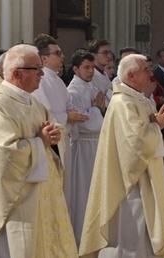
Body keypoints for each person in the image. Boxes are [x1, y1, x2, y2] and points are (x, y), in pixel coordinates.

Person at [0, 44, 78, 257]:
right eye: (36, 69)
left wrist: (55, 137)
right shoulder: (0, 105)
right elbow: (4, 154)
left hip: (40, 193)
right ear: (17, 73)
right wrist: (40, 143)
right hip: (16, 200)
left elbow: (51, 132)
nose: (41, 74)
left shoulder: (32, 102)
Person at [79, 53, 164, 258]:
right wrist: (157, 125)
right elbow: (134, 145)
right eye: (146, 70)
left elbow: (149, 134)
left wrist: (159, 125)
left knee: (144, 232)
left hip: (145, 175)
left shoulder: (139, 100)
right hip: (131, 182)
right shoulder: (123, 103)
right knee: (133, 233)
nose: (151, 74)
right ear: (131, 75)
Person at [32, 33, 89, 195]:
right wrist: (67, 117)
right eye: (57, 53)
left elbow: (68, 105)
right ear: (44, 58)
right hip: (51, 143)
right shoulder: (41, 80)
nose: (63, 57)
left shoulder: (57, 80)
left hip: (63, 139)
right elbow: (43, 114)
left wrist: (71, 114)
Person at [66, 49, 105, 246]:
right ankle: (81, 237)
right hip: (83, 147)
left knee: (95, 191)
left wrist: (99, 110)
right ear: (75, 69)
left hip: (96, 144)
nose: (90, 72)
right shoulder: (72, 91)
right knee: (83, 193)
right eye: (86, 68)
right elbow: (83, 123)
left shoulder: (92, 87)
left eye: (92, 67)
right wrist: (97, 109)